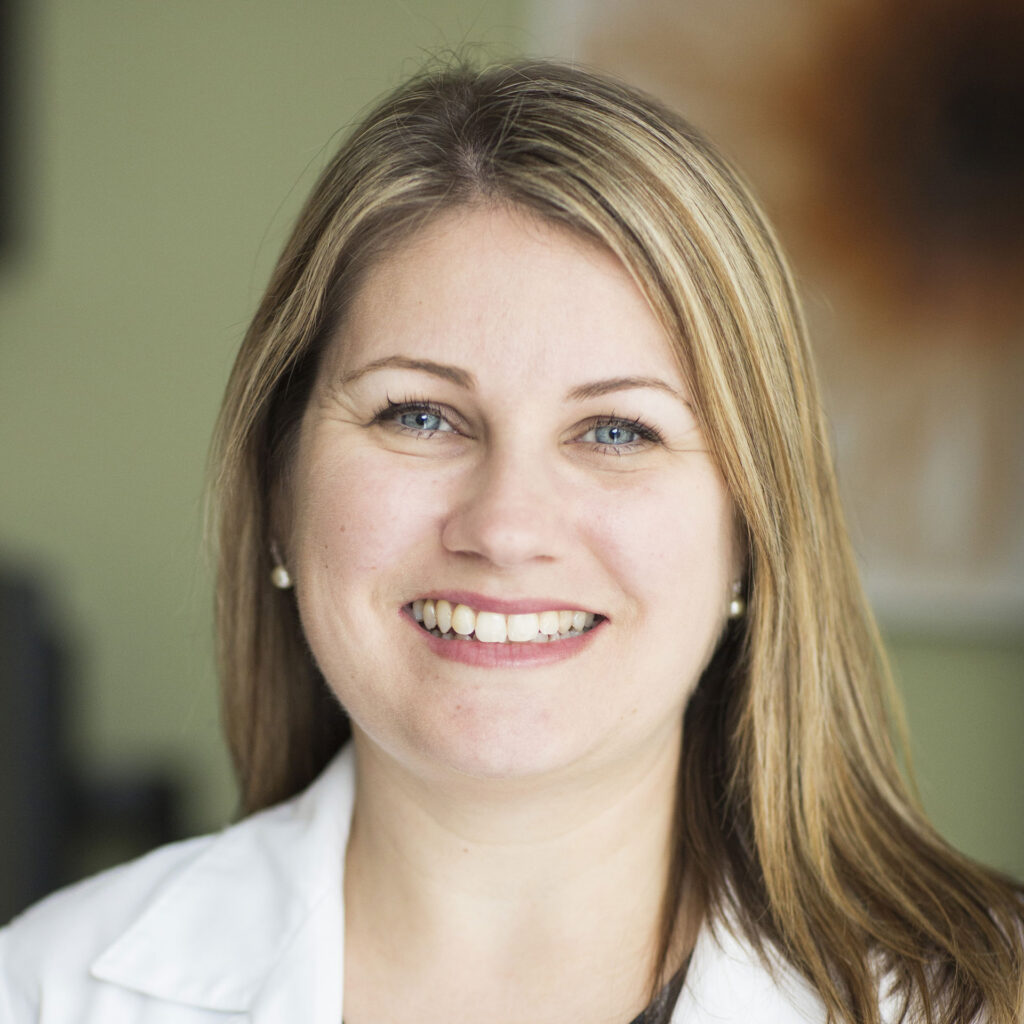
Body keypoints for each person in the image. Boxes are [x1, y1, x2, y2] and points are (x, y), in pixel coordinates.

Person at [2, 60, 1022, 1024]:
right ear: (280, 486)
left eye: (617, 431)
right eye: (418, 415)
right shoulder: (42, 991)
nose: (504, 527)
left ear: (751, 531)